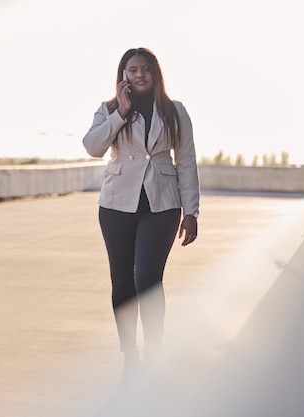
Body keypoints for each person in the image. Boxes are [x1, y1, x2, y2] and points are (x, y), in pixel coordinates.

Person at [82, 48, 200, 380]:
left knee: (147, 278)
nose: (139, 74)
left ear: (155, 73)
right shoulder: (108, 110)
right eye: (132, 69)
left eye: (145, 69)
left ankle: (155, 352)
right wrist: (121, 111)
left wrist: (191, 211)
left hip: (162, 204)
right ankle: (129, 352)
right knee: (122, 280)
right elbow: (93, 148)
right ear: (123, 75)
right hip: (117, 204)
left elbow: (187, 161)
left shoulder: (175, 111)